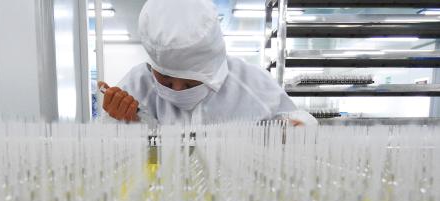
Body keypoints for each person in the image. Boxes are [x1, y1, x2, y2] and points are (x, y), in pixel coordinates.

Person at [98, 0, 317, 126]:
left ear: (212, 69)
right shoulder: (136, 86)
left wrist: (299, 129)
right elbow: (104, 153)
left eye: (190, 84)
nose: (177, 91)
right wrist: (118, 120)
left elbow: (298, 126)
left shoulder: (252, 86)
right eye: (165, 80)